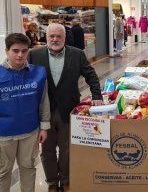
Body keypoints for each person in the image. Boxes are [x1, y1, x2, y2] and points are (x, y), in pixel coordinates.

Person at [28, 23, 103, 192]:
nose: (55, 39)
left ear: (65, 38)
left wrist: (97, 96)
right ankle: (52, 184)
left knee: (67, 149)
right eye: (51, 36)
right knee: (47, 151)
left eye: (58, 36)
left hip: (68, 109)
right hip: (43, 113)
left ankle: (67, 181)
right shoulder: (34, 55)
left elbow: (91, 75)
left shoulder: (76, 54)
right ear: (45, 37)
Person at [0, 33, 50, 192]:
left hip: (30, 131)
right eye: (15, 51)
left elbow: (44, 101)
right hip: (4, 134)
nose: (20, 55)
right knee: (3, 171)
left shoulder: (38, 73)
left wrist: (44, 127)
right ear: (6, 50)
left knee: (28, 168)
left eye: (24, 50)